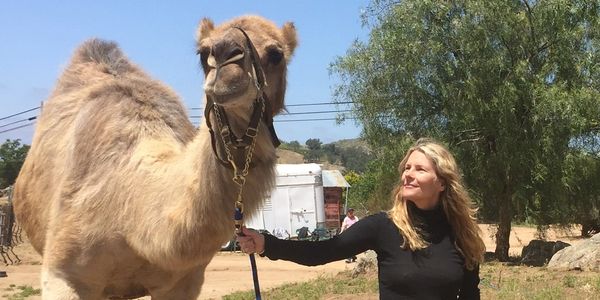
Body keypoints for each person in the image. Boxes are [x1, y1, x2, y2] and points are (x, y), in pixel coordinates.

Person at [238, 138, 486, 299]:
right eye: (406, 168)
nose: (408, 175)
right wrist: (266, 244)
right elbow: (322, 252)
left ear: (442, 182)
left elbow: (469, 294)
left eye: (419, 169)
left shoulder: (462, 235)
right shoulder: (384, 227)